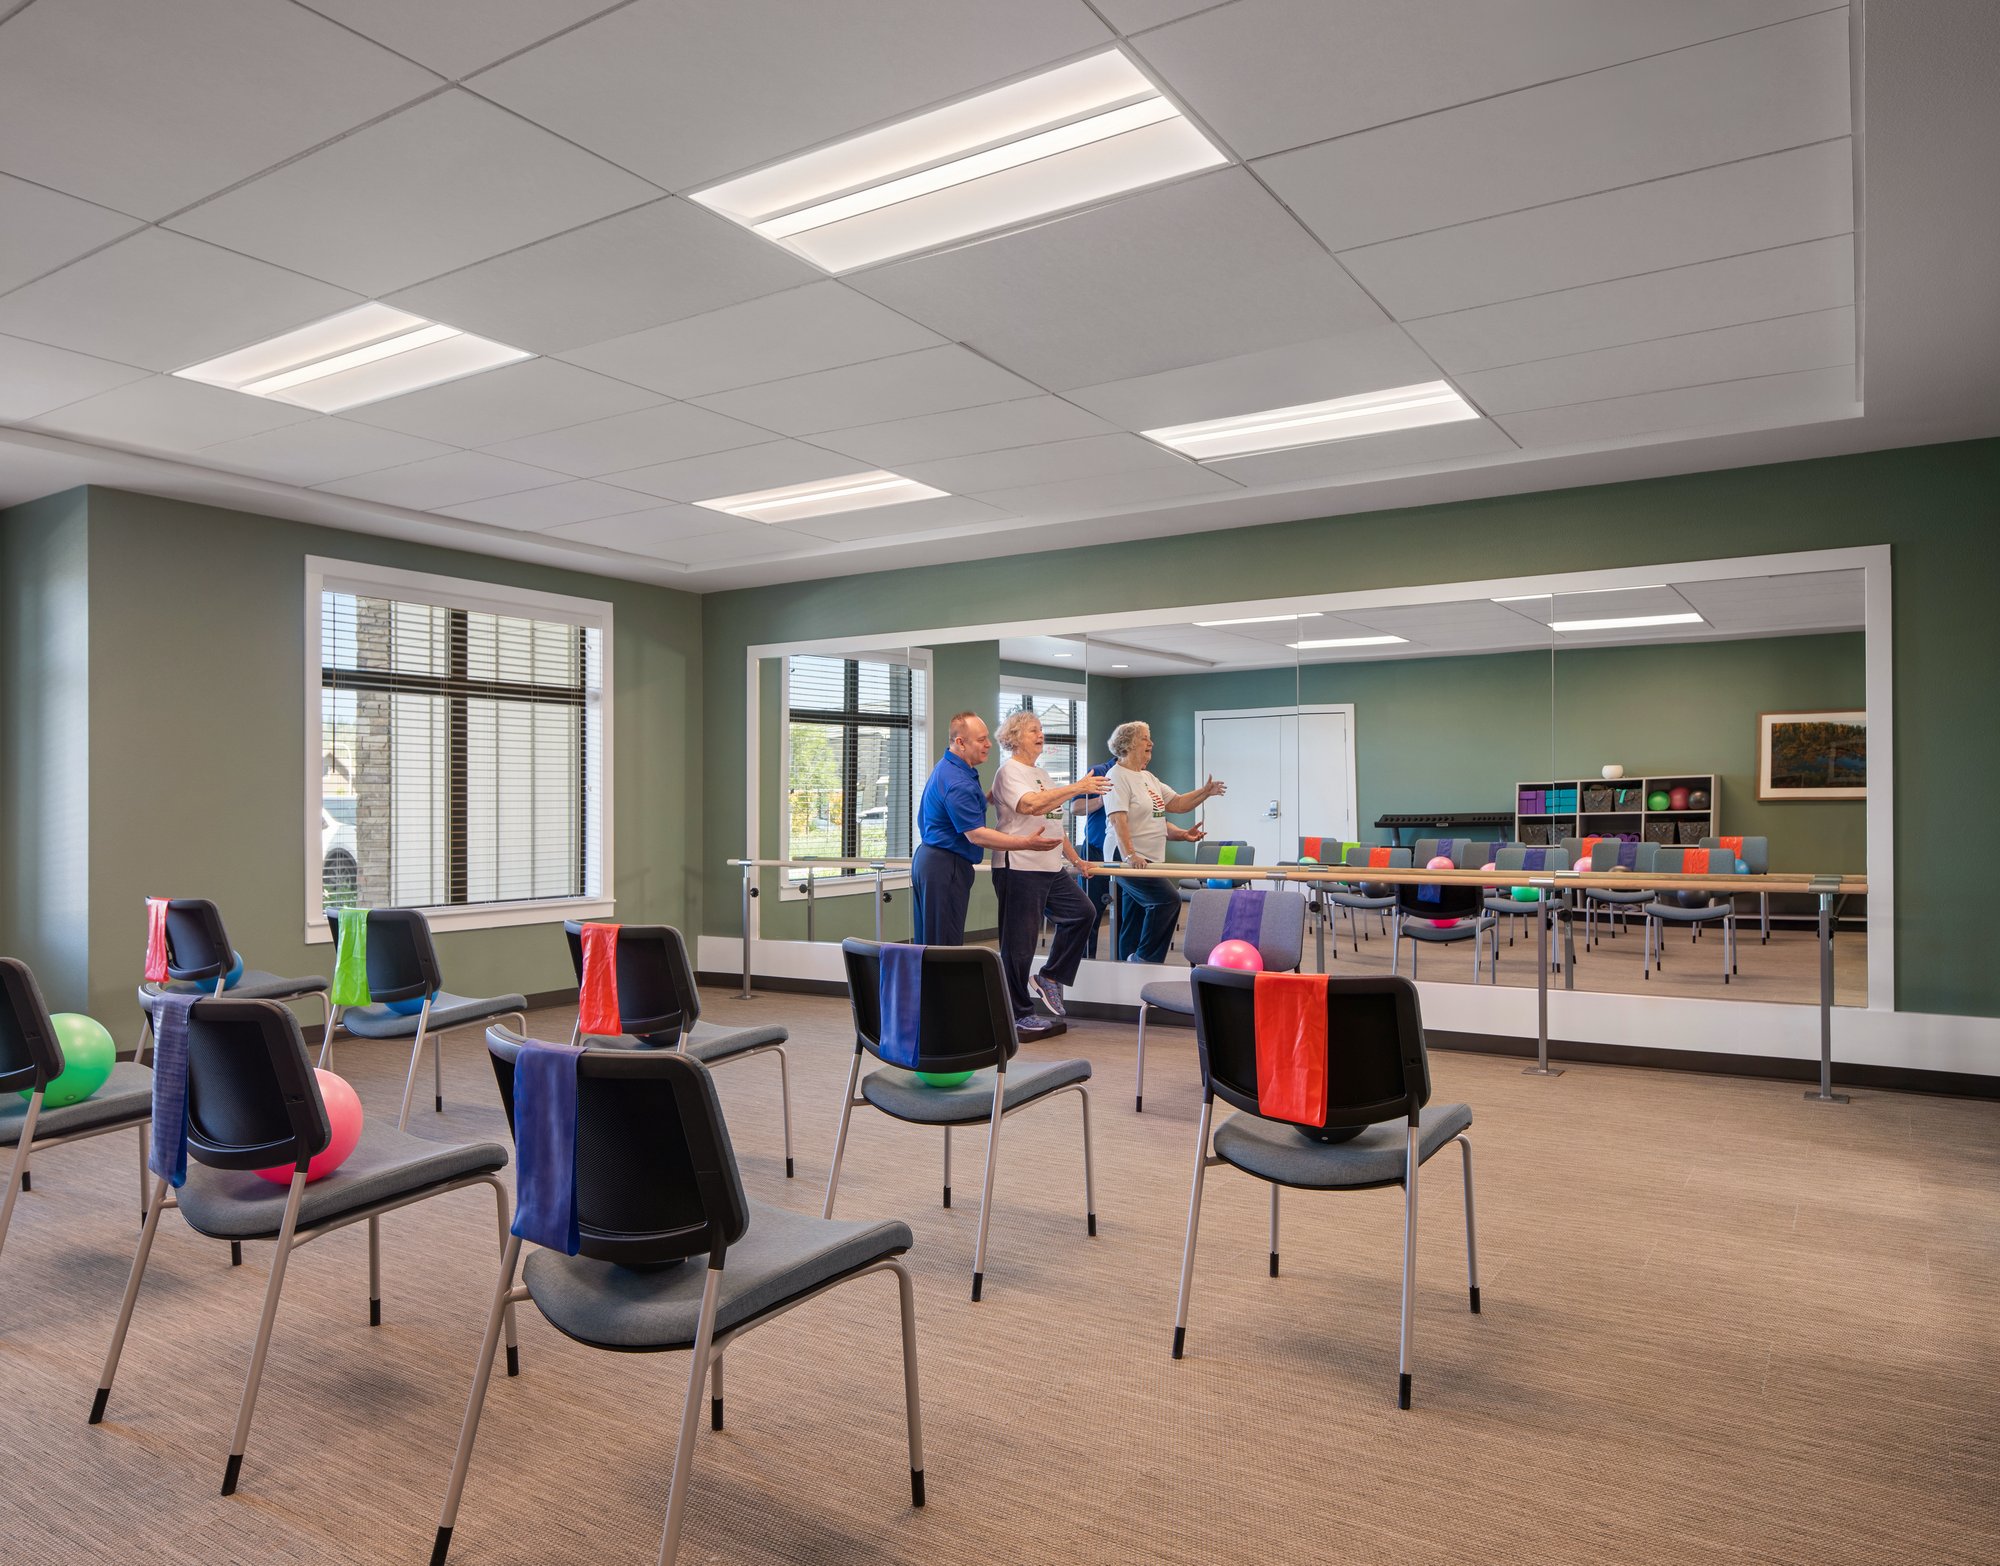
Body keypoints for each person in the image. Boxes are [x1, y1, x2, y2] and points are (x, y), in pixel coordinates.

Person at [989, 709, 1110, 1034]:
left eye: (1041, 729)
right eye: (1032, 730)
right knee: (1020, 944)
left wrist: (1077, 860)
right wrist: (1077, 787)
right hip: (1018, 868)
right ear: (1014, 737)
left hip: (1050, 867)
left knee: (1083, 912)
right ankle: (1018, 1013)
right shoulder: (1009, 772)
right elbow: (1031, 806)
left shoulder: (1041, 772)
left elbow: (1054, 823)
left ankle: (1050, 976)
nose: (1040, 734)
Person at [912, 711, 1060, 947]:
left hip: (935, 861)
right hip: (944, 865)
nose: (989, 744)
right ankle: (940, 985)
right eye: (981, 739)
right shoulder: (956, 781)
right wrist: (1026, 842)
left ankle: (932, 984)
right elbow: (977, 835)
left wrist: (1000, 792)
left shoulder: (957, 769)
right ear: (960, 742)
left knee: (933, 940)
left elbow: (972, 804)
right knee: (943, 944)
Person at [1099, 720, 1226, 963]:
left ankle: (1125, 967)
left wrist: (1205, 792)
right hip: (1126, 856)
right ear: (1129, 743)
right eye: (1145, 737)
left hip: (1150, 857)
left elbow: (1177, 803)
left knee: (1135, 916)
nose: (1151, 742)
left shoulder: (1148, 777)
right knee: (1167, 900)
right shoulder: (1116, 776)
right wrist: (1129, 855)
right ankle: (1145, 960)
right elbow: (1118, 820)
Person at [1072, 748, 1116, 959]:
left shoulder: (1142, 777)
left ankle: (1124, 963)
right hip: (1095, 851)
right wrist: (1101, 800)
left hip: (1120, 855)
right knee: (1090, 911)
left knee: (1124, 914)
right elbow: (1075, 808)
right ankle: (1084, 962)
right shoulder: (1099, 772)